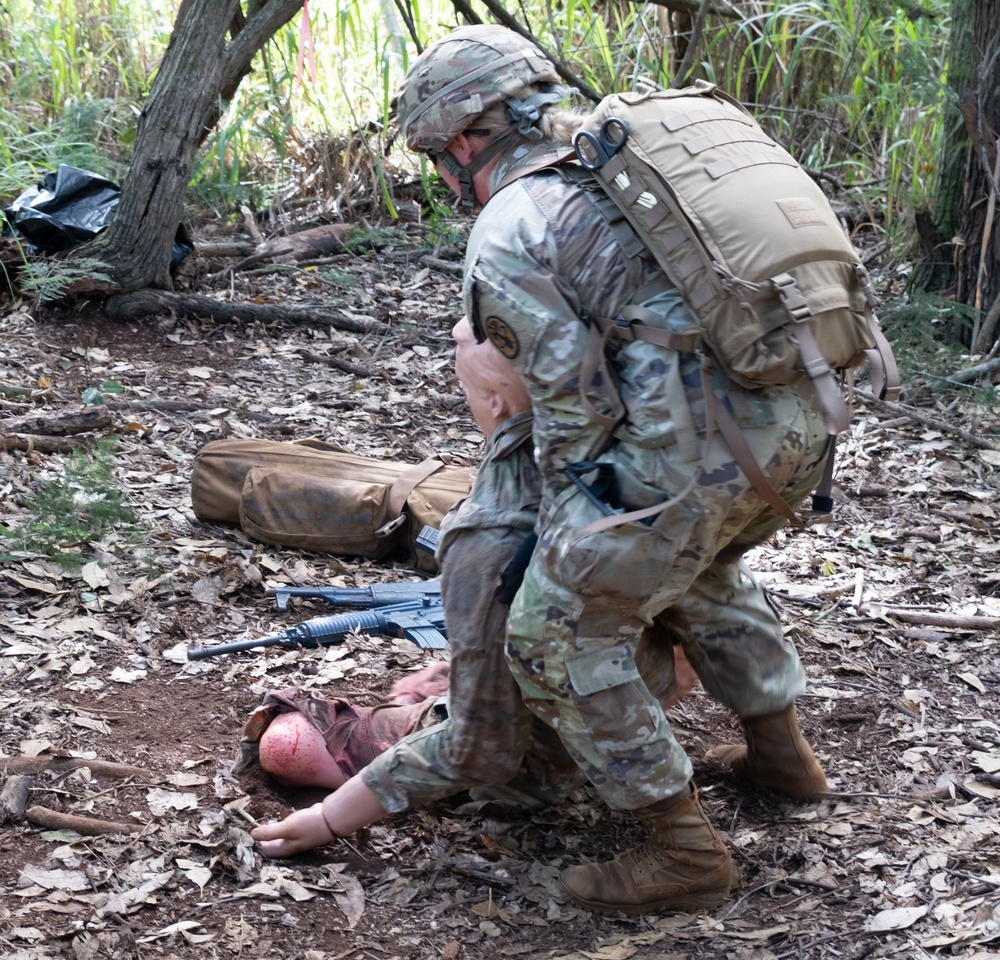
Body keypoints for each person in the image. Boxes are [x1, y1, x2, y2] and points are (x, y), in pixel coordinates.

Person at [383, 24, 832, 916]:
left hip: (697, 456)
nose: (445, 176)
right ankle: (784, 759)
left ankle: (682, 851)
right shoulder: (638, 170)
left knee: (554, 631)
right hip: (803, 428)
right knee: (702, 569)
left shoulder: (515, 219)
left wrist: (554, 546)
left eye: (439, 159)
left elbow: (572, 409)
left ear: (464, 141)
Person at [249, 318, 698, 847]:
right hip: (629, 719)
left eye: (465, 387)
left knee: (286, 740)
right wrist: (480, 667)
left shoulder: (490, 533)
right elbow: (682, 650)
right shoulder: (650, 473)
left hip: (530, 763)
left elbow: (481, 747)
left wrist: (328, 820)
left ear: (496, 403)